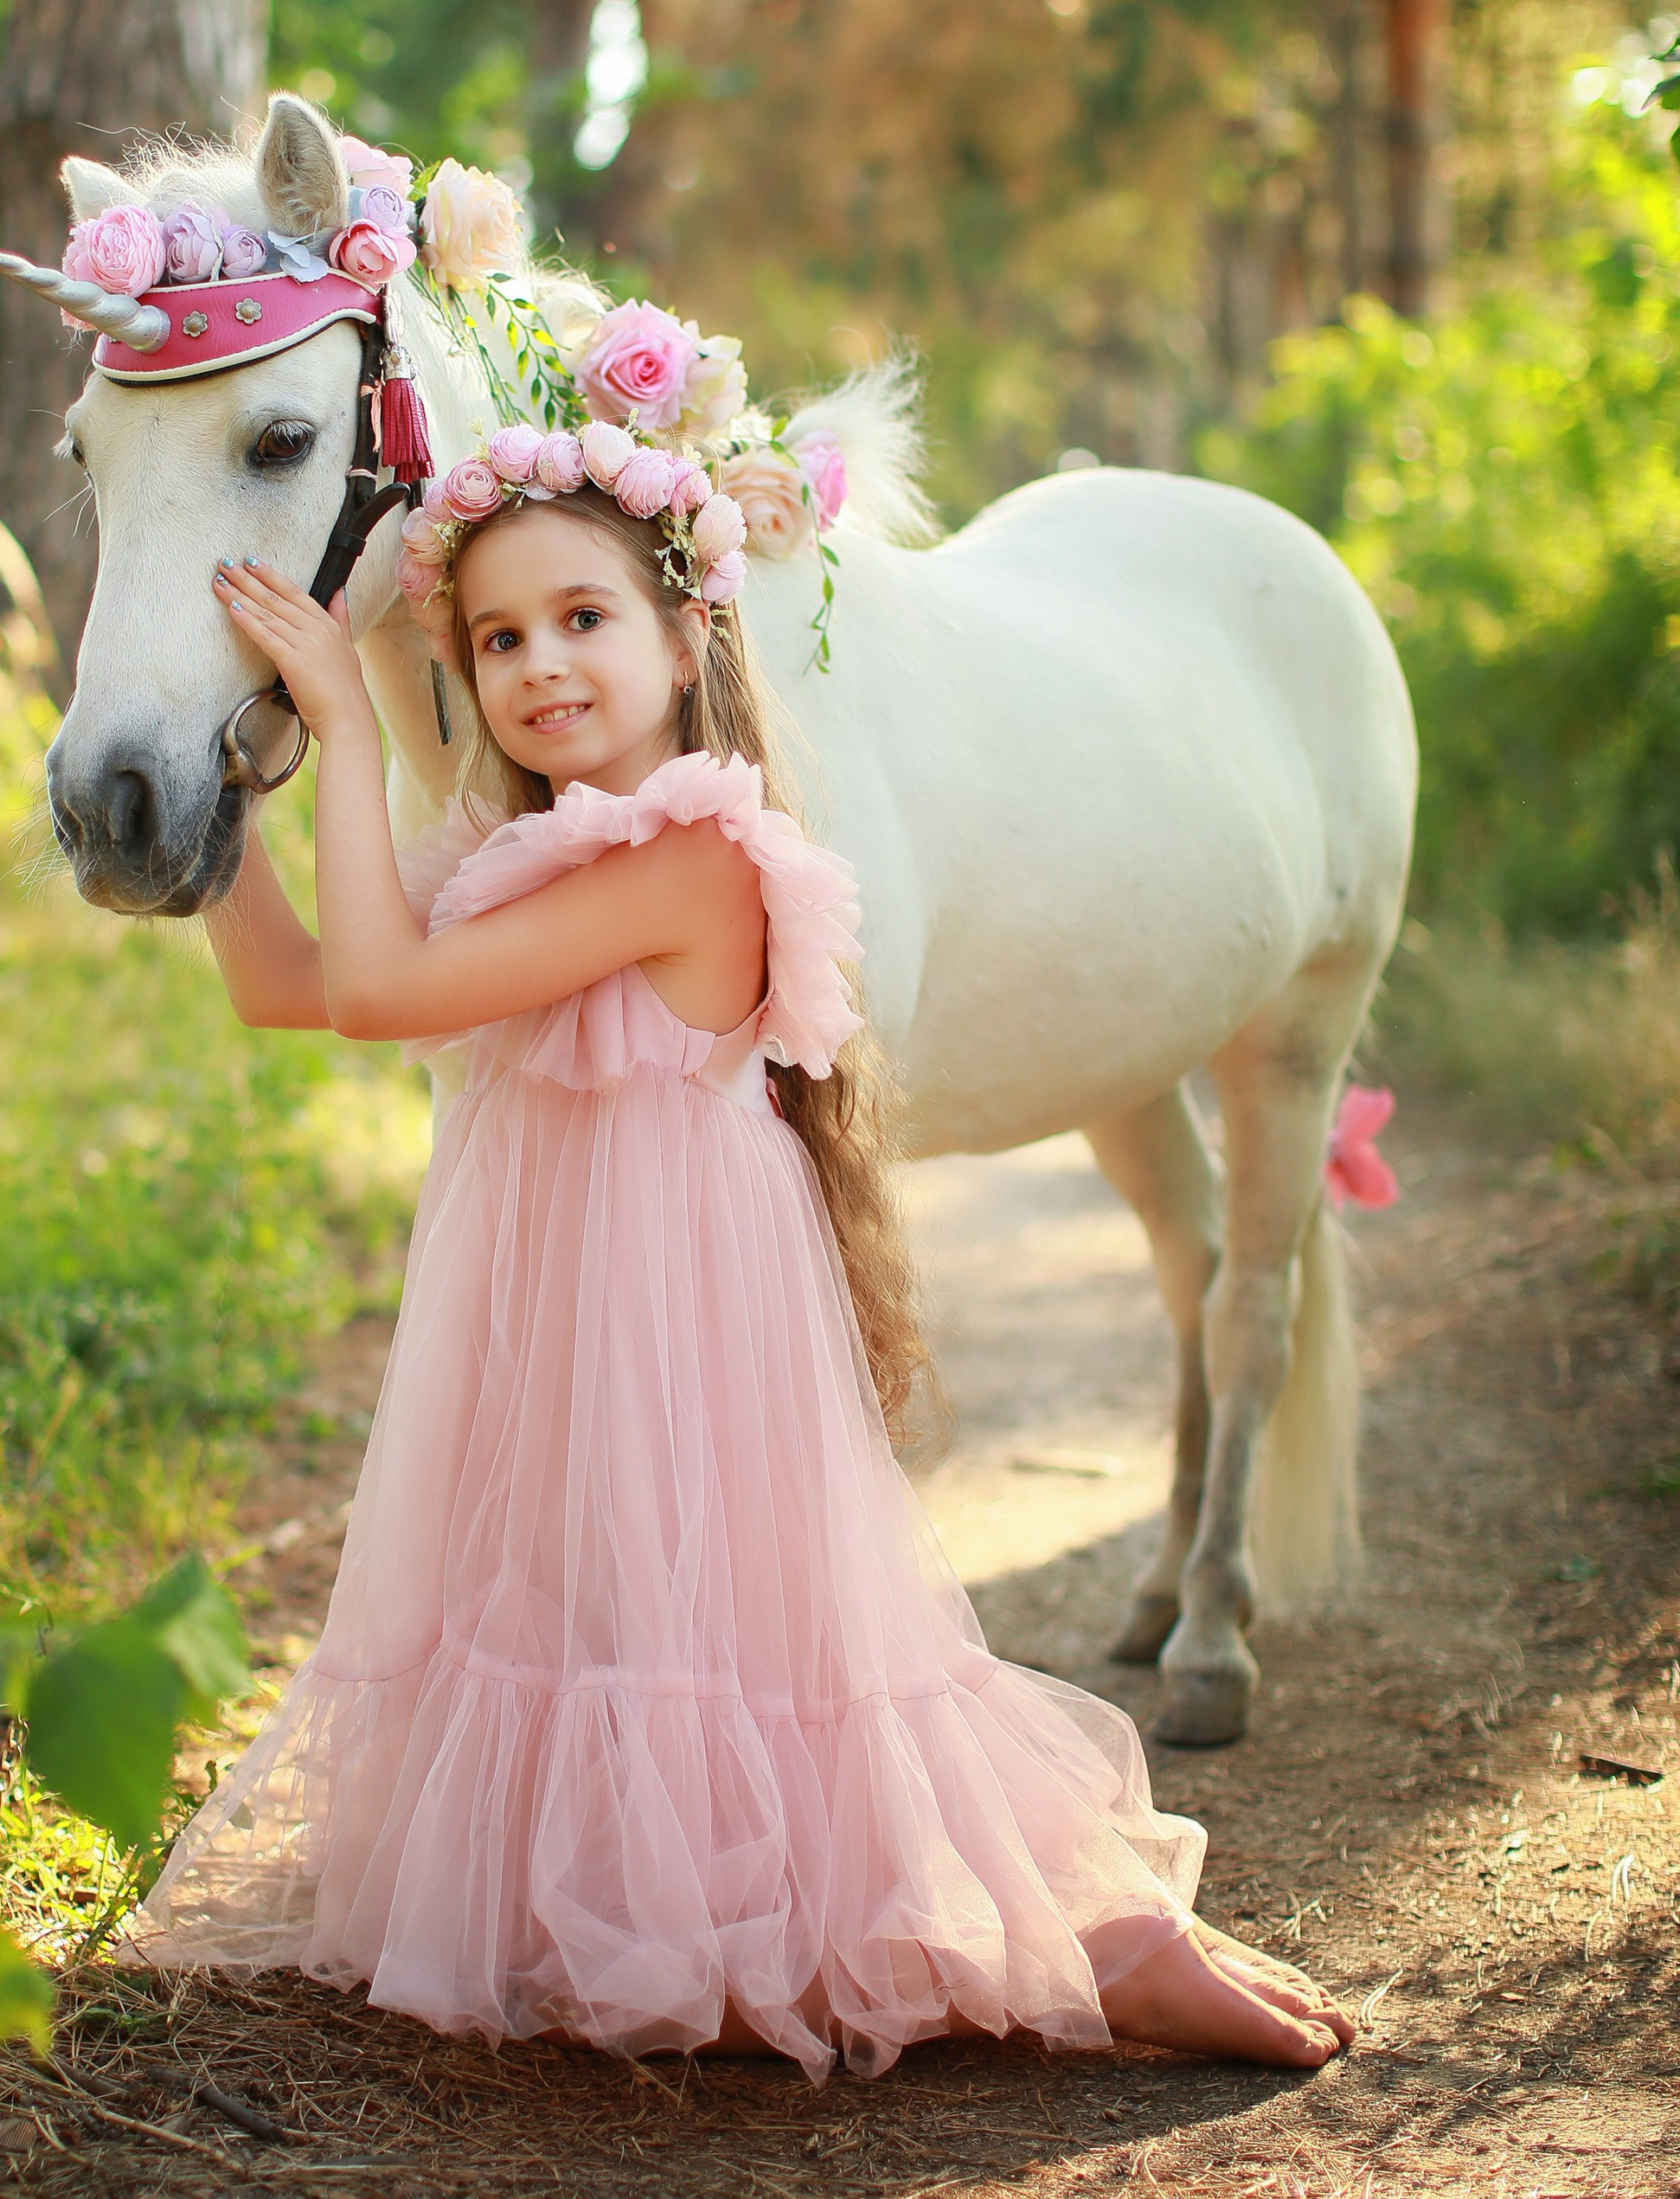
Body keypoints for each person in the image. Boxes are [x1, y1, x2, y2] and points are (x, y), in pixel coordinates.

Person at [125, 426, 1352, 2079]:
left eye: (584, 618)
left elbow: (378, 994)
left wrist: (345, 720)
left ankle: (1115, 1944)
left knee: (785, 1665)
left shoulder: (698, 855)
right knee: (619, 1628)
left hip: (680, 1317)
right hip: (571, 1319)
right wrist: (219, 791)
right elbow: (289, 983)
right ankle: (689, 1891)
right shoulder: (523, 855)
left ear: (687, 634)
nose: (541, 664)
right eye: (498, 638)